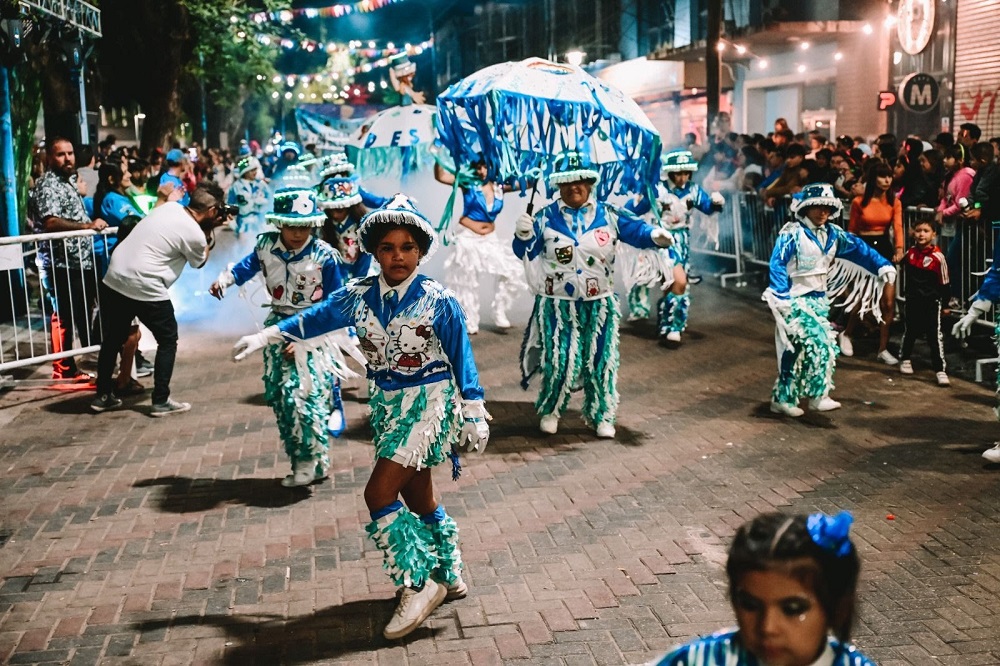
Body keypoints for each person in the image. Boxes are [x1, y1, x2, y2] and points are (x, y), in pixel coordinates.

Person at [232, 194, 488, 640]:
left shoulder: (439, 300)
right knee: (420, 496)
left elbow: (461, 357)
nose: (398, 256)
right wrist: (269, 334)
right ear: (374, 252)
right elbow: (316, 317)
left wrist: (473, 409)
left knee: (378, 493)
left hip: (428, 408)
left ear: (421, 252)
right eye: (388, 247)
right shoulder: (357, 296)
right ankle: (449, 571)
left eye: (408, 247)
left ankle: (417, 583)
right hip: (387, 409)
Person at [513, 152, 672, 437]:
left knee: (600, 361)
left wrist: (654, 235)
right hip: (557, 305)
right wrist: (522, 235)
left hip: (599, 305)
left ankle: (602, 416)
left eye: (582, 180)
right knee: (559, 361)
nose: (575, 186)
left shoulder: (608, 214)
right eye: (568, 181)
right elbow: (525, 251)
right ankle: (551, 410)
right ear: (558, 185)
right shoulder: (544, 217)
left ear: (591, 183)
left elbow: (636, 229)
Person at [211, 188, 358, 486]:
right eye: (292, 225)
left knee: (301, 396)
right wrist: (224, 280)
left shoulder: (325, 256)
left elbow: (334, 305)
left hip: (313, 330)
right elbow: (247, 267)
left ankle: (309, 461)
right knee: (282, 398)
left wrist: (306, 340)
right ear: (279, 223)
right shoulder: (265, 245)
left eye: (304, 226)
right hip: (276, 327)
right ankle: (310, 461)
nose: (298, 232)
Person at [649, 511, 876, 666]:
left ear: (837, 608)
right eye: (750, 605)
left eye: (792, 608)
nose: (767, 627)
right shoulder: (699, 660)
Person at [90, 182, 230, 415]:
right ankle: (160, 400)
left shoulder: (169, 208)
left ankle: (103, 395)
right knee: (167, 339)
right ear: (213, 211)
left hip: (115, 276)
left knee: (113, 338)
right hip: (146, 284)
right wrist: (209, 231)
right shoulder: (195, 233)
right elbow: (199, 261)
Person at [764, 183, 895, 417]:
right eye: (817, 207)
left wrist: (882, 264)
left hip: (818, 301)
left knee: (794, 351)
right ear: (805, 208)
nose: (822, 212)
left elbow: (860, 249)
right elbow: (777, 264)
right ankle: (817, 396)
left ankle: (783, 399)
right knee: (822, 343)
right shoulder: (792, 233)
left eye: (826, 207)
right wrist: (781, 296)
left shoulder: (834, 234)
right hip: (794, 300)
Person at [622, 149, 724, 346]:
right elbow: (631, 211)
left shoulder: (693, 190)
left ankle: (667, 326)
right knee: (679, 282)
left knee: (673, 286)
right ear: (669, 172)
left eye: (686, 173)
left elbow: (707, 207)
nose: (682, 177)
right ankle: (674, 327)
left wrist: (716, 203)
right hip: (661, 241)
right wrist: (640, 195)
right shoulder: (658, 189)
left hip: (682, 240)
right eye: (678, 173)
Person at [29, 137, 109, 381]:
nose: (68, 159)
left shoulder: (69, 182)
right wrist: (86, 225)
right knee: (64, 315)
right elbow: (50, 222)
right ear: (49, 158)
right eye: (61, 154)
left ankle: (86, 362)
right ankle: (64, 368)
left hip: (79, 261)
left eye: (70, 153)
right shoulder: (48, 185)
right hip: (60, 263)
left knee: (83, 312)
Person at [433, 158, 528, 334]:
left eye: (486, 166)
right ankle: (469, 320)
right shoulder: (468, 183)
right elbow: (441, 176)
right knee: (467, 280)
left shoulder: (500, 187)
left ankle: (499, 311)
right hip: (467, 237)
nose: (482, 171)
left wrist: (537, 163)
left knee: (511, 272)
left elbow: (527, 183)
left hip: (490, 238)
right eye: (478, 167)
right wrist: (439, 155)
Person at [840, 161, 903, 365]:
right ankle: (847, 334)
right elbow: (851, 231)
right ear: (873, 178)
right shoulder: (859, 202)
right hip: (864, 249)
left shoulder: (895, 202)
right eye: (882, 176)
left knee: (888, 302)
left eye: (889, 176)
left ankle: (882, 349)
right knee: (863, 299)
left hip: (884, 249)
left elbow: (898, 227)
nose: (887, 180)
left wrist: (900, 250)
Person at [898, 219, 950, 386]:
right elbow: (898, 261)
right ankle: (905, 358)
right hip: (912, 300)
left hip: (931, 302)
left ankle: (940, 369)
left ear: (934, 234)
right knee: (910, 331)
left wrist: (946, 304)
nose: (921, 234)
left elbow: (945, 283)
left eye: (926, 230)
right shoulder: (910, 253)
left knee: (934, 336)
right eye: (918, 230)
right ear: (913, 233)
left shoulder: (938, 258)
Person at [316, 156, 376, 281]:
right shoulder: (321, 225)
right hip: (332, 278)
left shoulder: (363, 226)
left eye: (340, 209)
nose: (335, 215)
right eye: (331, 210)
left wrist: (357, 283)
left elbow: (365, 259)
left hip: (360, 276)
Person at [227, 155, 270, 238]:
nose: (255, 172)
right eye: (252, 170)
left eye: (255, 170)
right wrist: (233, 224)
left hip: (260, 223)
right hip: (244, 224)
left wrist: (263, 202)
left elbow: (271, 199)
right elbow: (229, 206)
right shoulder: (236, 186)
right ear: (245, 172)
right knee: (245, 249)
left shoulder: (261, 185)